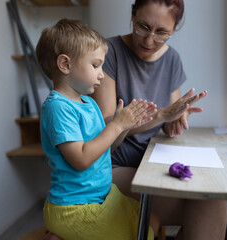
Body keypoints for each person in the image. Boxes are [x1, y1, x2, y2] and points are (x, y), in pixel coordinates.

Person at [92, 0, 227, 239]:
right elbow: (106, 126)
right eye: (142, 27)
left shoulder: (172, 59)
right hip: (112, 167)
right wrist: (163, 114)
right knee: (208, 202)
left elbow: (168, 121)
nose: (148, 40)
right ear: (133, 15)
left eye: (161, 33)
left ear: (174, 29)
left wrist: (175, 121)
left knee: (213, 196)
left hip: (151, 161)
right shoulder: (108, 51)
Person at [36, 18, 159, 240]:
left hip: (102, 196)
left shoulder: (88, 103)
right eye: (95, 65)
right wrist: (117, 124)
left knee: (152, 221)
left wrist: (123, 128)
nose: (102, 74)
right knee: (140, 234)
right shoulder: (58, 107)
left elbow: (106, 149)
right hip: (75, 207)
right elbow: (81, 159)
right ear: (65, 65)